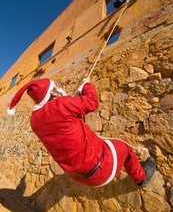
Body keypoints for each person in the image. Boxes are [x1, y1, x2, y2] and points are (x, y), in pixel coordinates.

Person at [7, 77, 156, 187]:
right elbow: (92, 102)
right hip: (101, 170)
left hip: (80, 177)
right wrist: (86, 85)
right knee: (125, 146)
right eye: (57, 87)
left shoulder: (35, 120)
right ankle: (141, 178)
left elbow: (62, 118)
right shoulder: (62, 104)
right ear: (52, 93)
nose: (60, 88)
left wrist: (71, 100)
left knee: (104, 144)